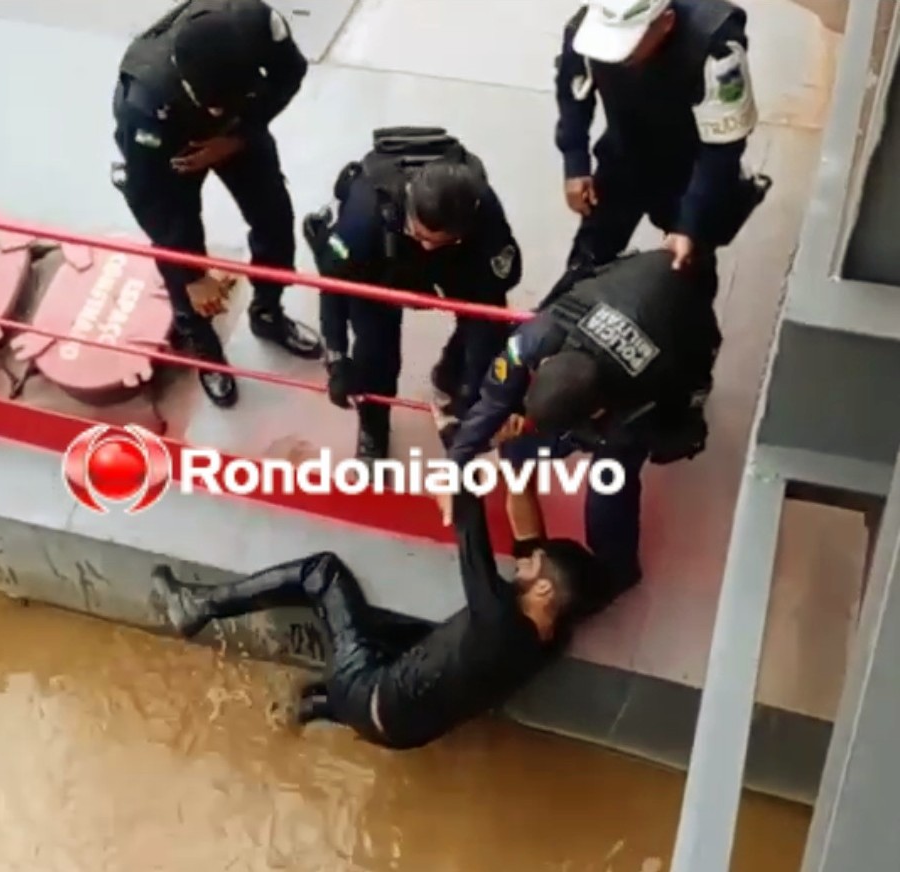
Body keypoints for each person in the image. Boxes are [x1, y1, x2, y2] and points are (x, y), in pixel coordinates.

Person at [150, 490, 616, 749]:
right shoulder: (551, 637)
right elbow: (530, 542)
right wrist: (517, 466)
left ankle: (198, 608)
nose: (522, 563)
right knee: (409, 641)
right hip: (405, 735)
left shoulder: (496, 613)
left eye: (532, 566)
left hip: (366, 689)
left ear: (544, 590)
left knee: (323, 573)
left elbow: (467, 519)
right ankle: (308, 708)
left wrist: (457, 432)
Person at [438, 249, 721, 593]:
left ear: (597, 413)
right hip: (629, 278)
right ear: (542, 366)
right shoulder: (537, 337)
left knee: (611, 481)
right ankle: (530, 524)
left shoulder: (640, 394)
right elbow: (495, 398)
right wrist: (453, 465)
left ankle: (619, 571)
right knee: (520, 446)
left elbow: (633, 431)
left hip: (677, 316)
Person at [112, 0, 322, 409]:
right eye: (208, 102)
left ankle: (268, 311)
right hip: (173, 150)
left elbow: (290, 74)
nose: (213, 109)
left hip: (241, 129)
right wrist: (194, 274)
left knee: (274, 217)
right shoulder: (145, 102)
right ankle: (205, 346)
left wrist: (238, 133)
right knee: (177, 250)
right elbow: (153, 203)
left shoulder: (260, 24)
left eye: (222, 101)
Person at [302, 127, 522, 462]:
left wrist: (475, 393)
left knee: (483, 339)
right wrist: (336, 357)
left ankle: (451, 381)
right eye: (421, 235)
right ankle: (374, 427)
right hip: (381, 268)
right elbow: (334, 286)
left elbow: (489, 308)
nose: (427, 245)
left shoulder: (484, 213)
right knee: (375, 355)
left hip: (454, 267)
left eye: (438, 239)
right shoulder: (363, 216)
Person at [551, 0, 770, 304]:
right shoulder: (589, 28)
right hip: (623, 153)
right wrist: (575, 163)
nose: (619, 57)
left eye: (630, 44)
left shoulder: (714, 43)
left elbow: (723, 147)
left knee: (687, 271)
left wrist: (689, 226)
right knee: (586, 259)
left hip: (691, 169)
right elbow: (572, 94)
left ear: (665, 22)